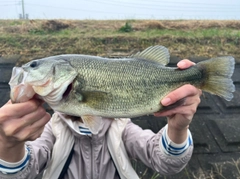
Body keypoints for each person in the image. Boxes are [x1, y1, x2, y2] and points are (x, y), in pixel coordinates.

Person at [0, 60, 201, 179]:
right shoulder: (52, 129)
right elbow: (21, 171)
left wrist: (178, 128)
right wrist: (8, 145)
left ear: (65, 74)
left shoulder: (121, 127)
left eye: (35, 66)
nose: (28, 70)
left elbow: (166, 163)